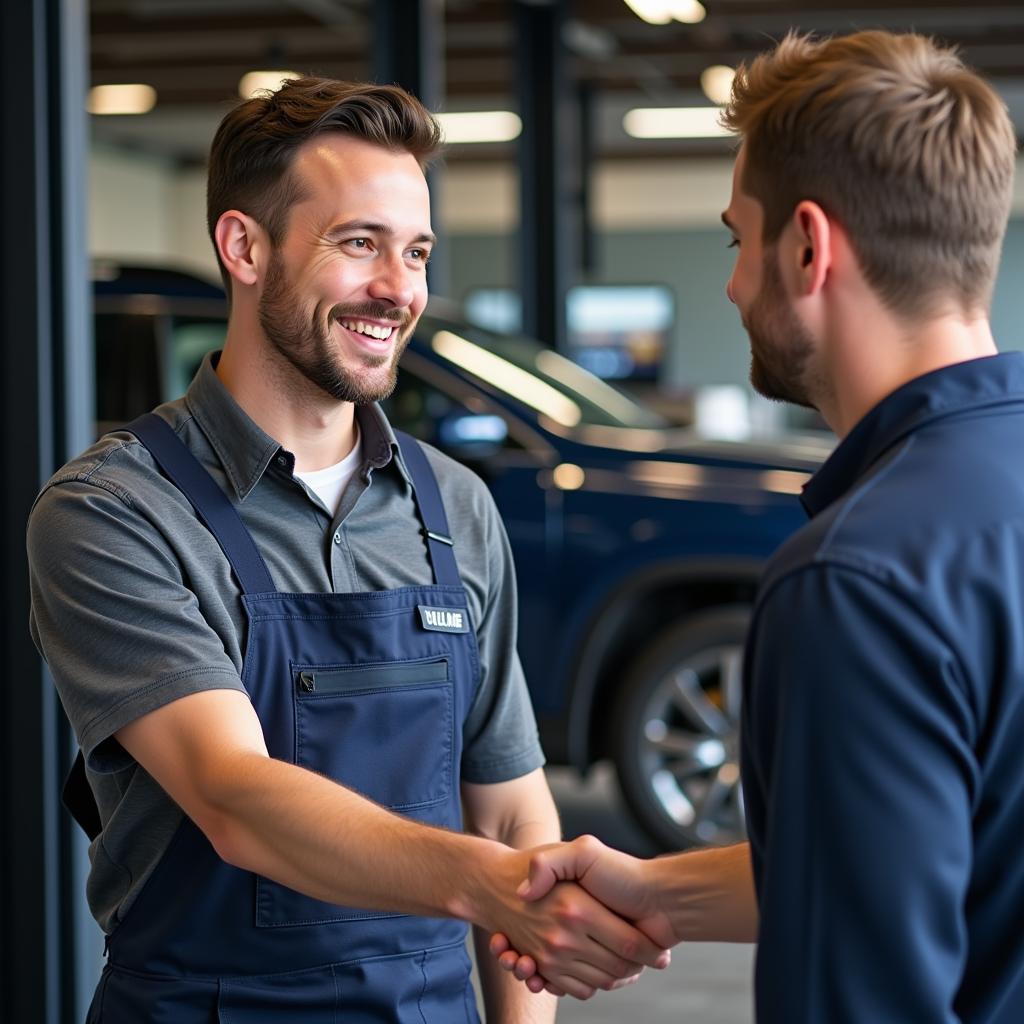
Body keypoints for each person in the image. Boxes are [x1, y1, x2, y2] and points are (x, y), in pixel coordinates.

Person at [27, 78, 671, 1022]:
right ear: (244, 246)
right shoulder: (116, 511)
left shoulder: (455, 507)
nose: (398, 289)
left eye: (414, 252)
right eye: (358, 242)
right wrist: (489, 884)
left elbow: (508, 808)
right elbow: (236, 796)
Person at [491, 29, 1024, 1023]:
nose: (735, 283)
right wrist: (659, 891)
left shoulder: (855, 580)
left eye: (738, 240)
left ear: (808, 247)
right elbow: (952, 848)